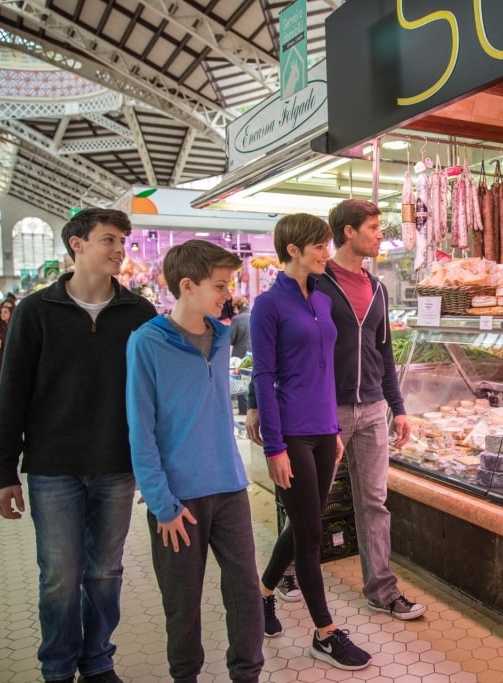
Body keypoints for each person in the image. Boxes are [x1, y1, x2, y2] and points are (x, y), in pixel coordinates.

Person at [0, 208, 157, 683]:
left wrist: (155, 468)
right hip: (53, 468)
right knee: (60, 577)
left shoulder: (139, 313)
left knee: (105, 572)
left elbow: (153, 397)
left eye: (123, 240)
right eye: (108, 239)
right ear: (76, 245)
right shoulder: (36, 312)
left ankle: (98, 660)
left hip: (117, 466)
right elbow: (12, 394)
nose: (119, 249)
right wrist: (3, 473)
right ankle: (58, 667)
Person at [247, 199, 424, 621]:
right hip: (324, 411)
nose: (381, 235)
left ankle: (381, 589)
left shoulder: (376, 288)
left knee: (374, 503)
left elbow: (382, 353)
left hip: (371, 407)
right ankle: (286, 580)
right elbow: (273, 358)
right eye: (374, 227)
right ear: (348, 231)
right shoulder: (317, 284)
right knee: (311, 509)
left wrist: (397, 407)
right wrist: (258, 407)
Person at [126, 240, 264, 683]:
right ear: (187, 285)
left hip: (229, 487)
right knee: (182, 602)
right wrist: (160, 503)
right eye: (220, 285)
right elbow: (140, 430)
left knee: (245, 590)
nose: (229, 293)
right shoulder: (146, 343)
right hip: (177, 499)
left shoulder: (223, 336)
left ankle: (247, 674)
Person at [251, 213, 371, 671]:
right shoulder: (269, 305)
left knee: (305, 525)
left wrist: (335, 430)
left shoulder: (321, 299)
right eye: (318, 246)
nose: (326, 252)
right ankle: (324, 632)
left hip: (324, 429)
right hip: (292, 432)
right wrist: (274, 447)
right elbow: (264, 375)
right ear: (293, 251)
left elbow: (327, 368)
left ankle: (261, 594)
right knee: (311, 534)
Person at [229, 296, 251, 414]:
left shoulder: (237, 319)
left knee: (240, 383)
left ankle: (243, 409)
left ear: (237, 307)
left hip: (240, 355)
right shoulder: (254, 316)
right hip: (254, 354)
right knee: (253, 382)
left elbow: (231, 339)